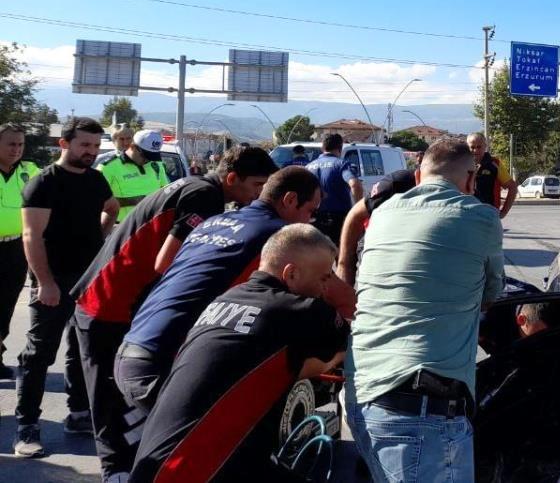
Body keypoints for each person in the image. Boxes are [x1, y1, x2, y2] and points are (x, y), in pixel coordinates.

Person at [71, 146, 278, 481]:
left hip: (115, 298)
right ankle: (115, 472)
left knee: (126, 393)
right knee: (111, 395)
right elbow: (167, 262)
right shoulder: (204, 195)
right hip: (109, 300)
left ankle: (131, 466)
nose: (259, 196)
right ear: (231, 178)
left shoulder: (194, 186)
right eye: (256, 186)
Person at [129, 224, 353, 482]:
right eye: (324, 277)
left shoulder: (225, 299)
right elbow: (342, 349)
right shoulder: (298, 310)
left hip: (161, 463)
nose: (325, 287)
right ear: (291, 274)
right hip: (200, 469)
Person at [346, 138, 505, 483]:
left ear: (419, 177)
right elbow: (491, 294)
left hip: (362, 395)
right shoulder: (481, 217)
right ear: (470, 180)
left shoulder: (385, 211)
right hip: (421, 415)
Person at [114, 166, 322, 412]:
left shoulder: (213, 222)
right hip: (165, 365)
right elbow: (319, 288)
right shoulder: (279, 236)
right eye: (310, 211)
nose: (309, 221)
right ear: (290, 200)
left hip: (130, 351)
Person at [15, 117, 120, 458]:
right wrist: (45, 282)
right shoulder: (43, 183)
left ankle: (78, 414)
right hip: (53, 279)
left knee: (81, 348)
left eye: (94, 146)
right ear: (64, 144)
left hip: (88, 279)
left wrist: (102, 239)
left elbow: (112, 208)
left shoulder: (97, 180)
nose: (91, 152)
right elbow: (31, 237)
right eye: (84, 145)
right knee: (39, 353)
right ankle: (27, 426)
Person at [336, 159, 420, 286]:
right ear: (419, 176)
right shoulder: (399, 182)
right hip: (379, 245)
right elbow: (356, 215)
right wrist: (345, 266)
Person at [0, 124, 40, 380]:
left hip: (16, 248)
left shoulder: (30, 171)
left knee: (5, 305)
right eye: (11, 144)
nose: (16, 150)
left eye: (20, 144)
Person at [100, 129, 170, 222]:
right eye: (145, 156)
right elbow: (94, 201)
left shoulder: (156, 164)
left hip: (150, 225)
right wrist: (133, 201)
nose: (147, 160)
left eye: (152, 156)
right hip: (119, 228)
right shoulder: (108, 167)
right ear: (132, 146)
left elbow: (165, 192)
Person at [306, 133, 362, 245]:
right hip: (338, 218)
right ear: (340, 148)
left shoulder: (309, 166)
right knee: (343, 253)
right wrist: (358, 210)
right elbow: (354, 184)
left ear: (323, 148)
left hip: (313, 217)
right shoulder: (341, 164)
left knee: (317, 254)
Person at [467, 132, 518, 219]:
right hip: (467, 214)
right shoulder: (462, 164)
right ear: (467, 147)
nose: (475, 150)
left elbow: (513, 187)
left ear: (485, 147)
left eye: (479, 147)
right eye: (472, 147)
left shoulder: (494, 164)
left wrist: (503, 212)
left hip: (489, 215)